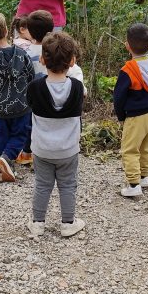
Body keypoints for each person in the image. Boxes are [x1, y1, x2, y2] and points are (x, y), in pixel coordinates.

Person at [27, 32, 86, 238]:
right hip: (68, 149)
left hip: (42, 148)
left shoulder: (35, 87)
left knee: (43, 185)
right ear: (72, 61)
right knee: (68, 184)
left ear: (42, 60)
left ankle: (37, 223)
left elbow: (31, 106)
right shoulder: (77, 88)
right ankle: (68, 222)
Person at [14, 9, 86, 166]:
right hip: (65, 113)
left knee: (32, 124)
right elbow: (81, 89)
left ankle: (28, 153)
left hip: (37, 99)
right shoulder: (63, 55)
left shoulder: (25, 53)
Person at [0, 10, 36, 182]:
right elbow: (30, 76)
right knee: (20, 134)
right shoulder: (21, 54)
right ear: (6, 30)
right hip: (21, 104)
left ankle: (2, 161)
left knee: (1, 134)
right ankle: (6, 159)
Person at [113, 22, 148, 198]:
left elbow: (119, 96)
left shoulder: (128, 70)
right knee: (145, 146)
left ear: (127, 45)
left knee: (129, 149)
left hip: (136, 115)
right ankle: (144, 177)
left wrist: (121, 116)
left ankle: (134, 184)